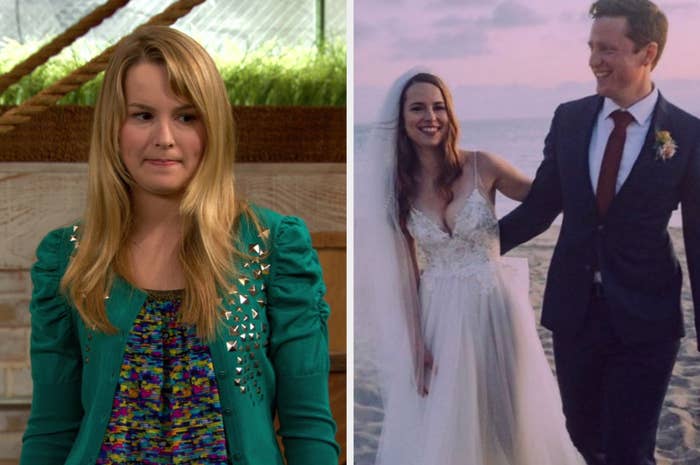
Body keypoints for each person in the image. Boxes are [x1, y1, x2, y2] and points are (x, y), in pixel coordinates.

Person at [19, 26, 339, 465]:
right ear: (113, 126)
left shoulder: (273, 246)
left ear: (214, 127)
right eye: (143, 115)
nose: (164, 137)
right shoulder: (68, 256)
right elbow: (51, 430)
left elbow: (308, 428)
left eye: (187, 116)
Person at [499, 1, 700, 464]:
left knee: (631, 451)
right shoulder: (569, 120)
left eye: (608, 49)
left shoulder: (686, 135)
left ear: (647, 53)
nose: (594, 60)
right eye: (592, 47)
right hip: (575, 316)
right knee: (581, 445)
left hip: (648, 318)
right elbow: (540, 210)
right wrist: (468, 249)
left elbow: (696, 235)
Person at [354, 70, 585, 465]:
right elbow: (407, 274)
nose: (431, 117)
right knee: (451, 424)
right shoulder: (398, 189)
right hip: (438, 315)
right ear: (402, 118)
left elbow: (546, 199)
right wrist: (415, 345)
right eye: (418, 108)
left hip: (494, 304)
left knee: (509, 419)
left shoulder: (482, 166)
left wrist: (496, 239)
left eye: (439, 107)